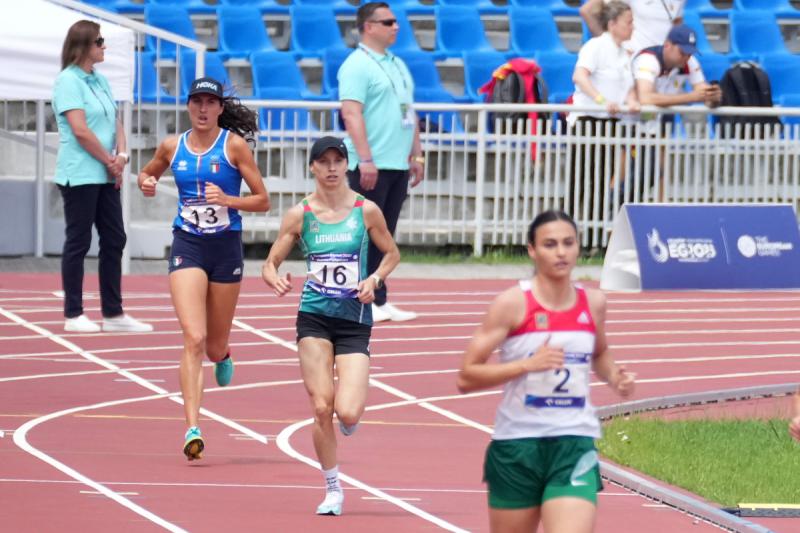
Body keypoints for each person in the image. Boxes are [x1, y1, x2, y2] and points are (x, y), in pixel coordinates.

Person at [457, 210, 635, 533]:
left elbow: (600, 351)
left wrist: (615, 376)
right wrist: (527, 365)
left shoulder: (593, 302)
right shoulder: (512, 304)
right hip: (517, 445)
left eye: (568, 243)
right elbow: (466, 376)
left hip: (573, 443)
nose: (561, 252)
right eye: (550, 244)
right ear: (532, 250)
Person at [261, 136, 400, 516]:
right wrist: (274, 277)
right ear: (313, 168)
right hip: (314, 318)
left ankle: (349, 417)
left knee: (348, 413)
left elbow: (391, 253)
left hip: (354, 321)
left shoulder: (366, 210)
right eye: (324, 161)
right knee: (322, 406)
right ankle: (333, 487)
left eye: (339, 160)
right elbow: (270, 261)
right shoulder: (300, 214)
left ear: (346, 165)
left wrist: (375, 280)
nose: (332, 167)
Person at [137, 77, 269, 460]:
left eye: (210, 102)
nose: (203, 109)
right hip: (188, 244)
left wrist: (229, 199)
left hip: (225, 248)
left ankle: (224, 353)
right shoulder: (171, 146)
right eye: (197, 102)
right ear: (189, 106)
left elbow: (263, 201)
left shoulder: (233, 146)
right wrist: (146, 182)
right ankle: (192, 427)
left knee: (212, 345)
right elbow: (148, 174)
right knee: (193, 337)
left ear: (220, 108)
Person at [53, 20, 152, 334]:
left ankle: (113, 313)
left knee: (115, 238)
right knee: (79, 241)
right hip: (80, 174)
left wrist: (121, 157)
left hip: (106, 172)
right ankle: (74, 314)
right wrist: (109, 161)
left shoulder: (99, 80)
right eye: (100, 41)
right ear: (84, 46)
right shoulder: (68, 81)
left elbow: (115, 119)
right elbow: (80, 130)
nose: (104, 46)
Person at [338, 1, 423, 323]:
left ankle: (379, 297)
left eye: (395, 21)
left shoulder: (397, 63)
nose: (395, 26)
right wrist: (366, 160)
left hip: (397, 163)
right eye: (388, 22)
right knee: (366, 235)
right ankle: (361, 298)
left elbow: (409, 111)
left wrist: (417, 153)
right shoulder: (357, 64)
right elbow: (351, 113)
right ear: (369, 27)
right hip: (371, 164)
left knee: (385, 234)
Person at [629, 24, 721, 199]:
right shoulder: (648, 59)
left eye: (689, 53)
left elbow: (704, 93)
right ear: (668, 45)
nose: (686, 57)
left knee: (658, 172)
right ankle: (612, 208)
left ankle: (658, 208)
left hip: (660, 119)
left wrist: (714, 96)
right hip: (628, 121)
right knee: (629, 173)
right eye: (682, 52)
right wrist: (692, 97)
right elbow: (646, 98)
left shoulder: (689, 61)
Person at [568, 1, 639, 226]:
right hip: (587, 121)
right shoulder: (595, 46)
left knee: (602, 180)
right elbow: (580, 76)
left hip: (611, 122)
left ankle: (594, 235)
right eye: (628, 22)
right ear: (612, 24)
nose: (632, 26)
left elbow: (626, 88)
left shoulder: (626, 54)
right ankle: (571, 232)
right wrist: (601, 100)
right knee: (581, 179)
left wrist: (633, 101)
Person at [581, 0, 685, 54]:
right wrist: (612, 47)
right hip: (635, 59)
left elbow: (677, 22)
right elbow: (588, 11)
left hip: (664, 62)